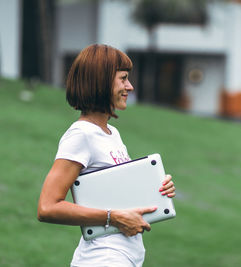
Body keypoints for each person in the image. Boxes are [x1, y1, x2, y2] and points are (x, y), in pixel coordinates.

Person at [37, 44, 176, 266]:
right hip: (104, 258)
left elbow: (115, 195)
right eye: (123, 78)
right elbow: (47, 207)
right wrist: (114, 217)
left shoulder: (112, 134)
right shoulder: (81, 134)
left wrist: (157, 190)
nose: (129, 86)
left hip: (123, 256)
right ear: (100, 82)